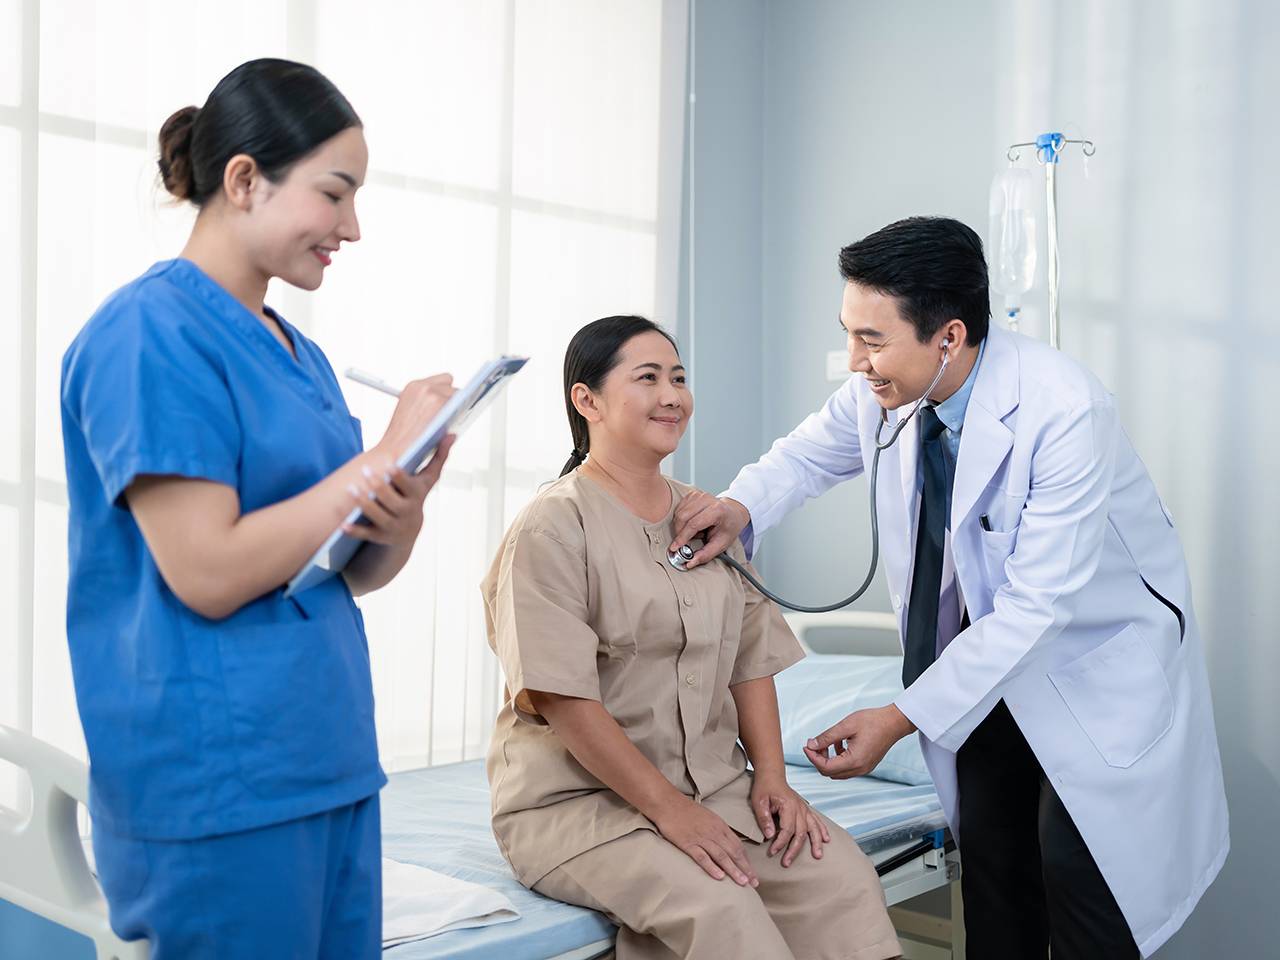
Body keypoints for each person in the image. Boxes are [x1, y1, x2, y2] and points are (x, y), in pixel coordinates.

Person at [669, 217, 1229, 958]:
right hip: (980, 677)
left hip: (1089, 674)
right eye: (849, 334)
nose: (855, 361)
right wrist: (738, 506)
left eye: (872, 340)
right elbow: (802, 458)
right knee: (997, 878)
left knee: (1081, 883)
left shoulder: (1064, 411)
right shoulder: (885, 394)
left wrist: (899, 717)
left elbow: (1036, 609)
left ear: (949, 336)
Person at [60, 58, 456, 959]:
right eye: (335, 193)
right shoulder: (146, 335)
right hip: (218, 783)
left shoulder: (297, 352)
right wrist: (381, 456)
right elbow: (208, 572)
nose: (352, 227)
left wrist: (401, 509)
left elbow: (348, 569)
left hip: (327, 760)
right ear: (244, 179)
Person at [482, 315, 902, 960]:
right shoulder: (552, 528)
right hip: (580, 806)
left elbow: (749, 661)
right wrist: (671, 813)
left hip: (715, 789)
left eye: (678, 377)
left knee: (838, 874)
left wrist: (772, 780)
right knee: (719, 903)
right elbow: (563, 696)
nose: (672, 395)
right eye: (647, 378)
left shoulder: (706, 517)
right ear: (586, 400)